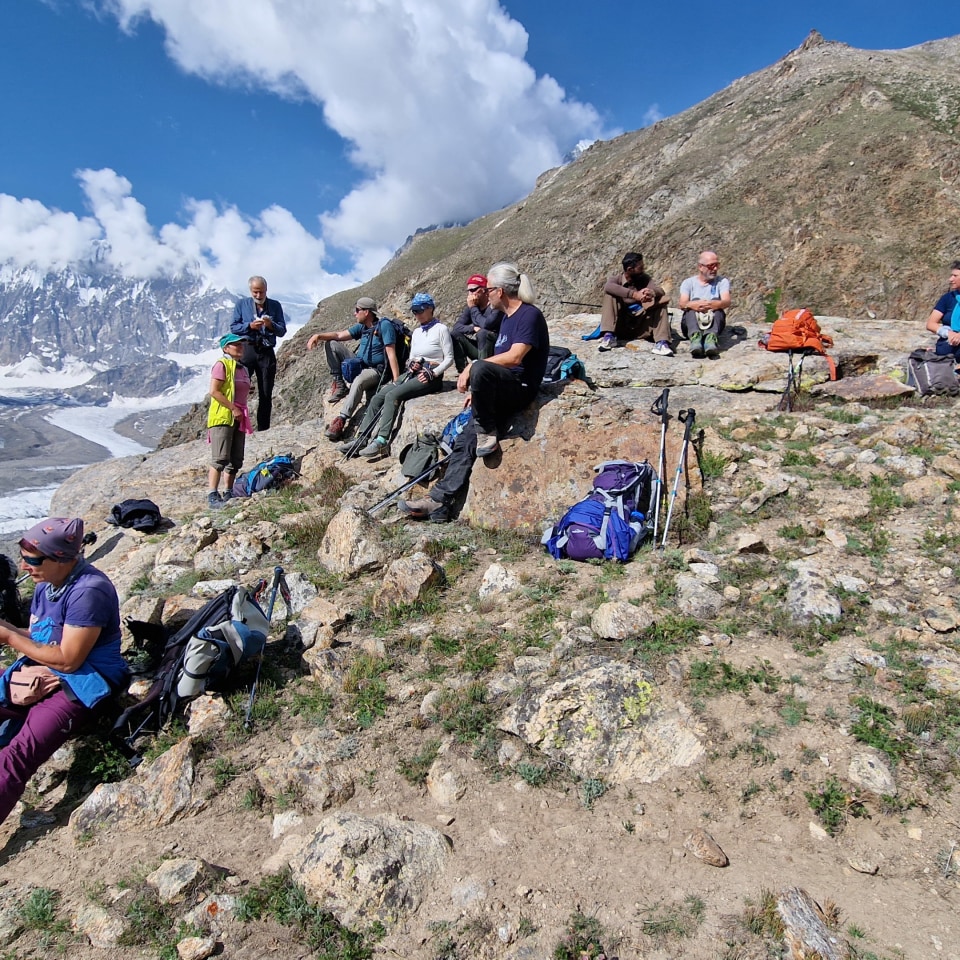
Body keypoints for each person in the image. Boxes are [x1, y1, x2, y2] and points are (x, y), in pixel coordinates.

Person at [0, 517, 128, 825]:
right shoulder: (46, 585)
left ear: (61, 558)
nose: (24, 566)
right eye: (23, 557)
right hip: (45, 670)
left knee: (17, 753)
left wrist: (9, 638)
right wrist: (9, 629)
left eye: (33, 560)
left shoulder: (89, 591)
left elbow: (69, 659)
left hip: (83, 681)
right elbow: (42, 637)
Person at [399, 262, 549, 523]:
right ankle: (439, 503)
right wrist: (480, 388)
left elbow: (515, 357)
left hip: (521, 388)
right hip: (502, 388)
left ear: (500, 291)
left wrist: (474, 369)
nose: (486, 295)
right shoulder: (506, 319)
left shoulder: (529, 315)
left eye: (488, 290)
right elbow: (497, 360)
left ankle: (487, 430)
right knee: (466, 438)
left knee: (479, 369)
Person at [349, 294, 454, 459]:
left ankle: (382, 440)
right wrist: (411, 363)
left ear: (430, 309)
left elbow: (449, 358)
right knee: (378, 397)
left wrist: (433, 373)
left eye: (420, 310)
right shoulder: (417, 332)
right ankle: (361, 438)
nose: (417, 314)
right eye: (414, 311)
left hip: (430, 375)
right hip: (414, 371)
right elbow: (411, 356)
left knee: (392, 395)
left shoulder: (441, 329)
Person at [306, 297, 401, 442]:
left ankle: (341, 419)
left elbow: (391, 353)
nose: (354, 313)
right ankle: (339, 384)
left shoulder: (384, 326)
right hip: (360, 363)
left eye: (357, 310)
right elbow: (339, 335)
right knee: (331, 344)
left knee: (359, 381)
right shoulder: (363, 327)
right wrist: (318, 336)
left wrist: (396, 381)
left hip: (376, 370)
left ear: (366, 312)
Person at [230, 275, 287, 431]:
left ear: (266, 290)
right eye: (255, 292)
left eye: (261, 291)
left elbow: (282, 330)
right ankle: (236, 428)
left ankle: (263, 429)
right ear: (250, 290)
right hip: (247, 350)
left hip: (266, 352)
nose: (258, 295)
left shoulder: (275, 305)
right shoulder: (241, 304)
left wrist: (270, 325)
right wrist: (250, 326)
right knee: (238, 389)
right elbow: (234, 327)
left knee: (266, 393)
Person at [206, 332, 253, 508]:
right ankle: (212, 494)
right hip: (223, 416)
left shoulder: (242, 368)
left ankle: (229, 491)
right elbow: (214, 391)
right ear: (226, 348)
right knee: (220, 457)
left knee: (236, 458)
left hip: (239, 416)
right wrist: (233, 408)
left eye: (241, 344)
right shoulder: (222, 365)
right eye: (236, 344)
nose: (241, 347)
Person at [598, 252, 671, 355]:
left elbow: (660, 291)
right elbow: (608, 287)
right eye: (640, 268)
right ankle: (609, 336)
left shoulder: (644, 279)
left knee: (661, 301)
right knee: (610, 296)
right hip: (620, 326)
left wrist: (652, 292)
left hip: (642, 326)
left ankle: (661, 343)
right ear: (630, 269)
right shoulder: (616, 280)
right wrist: (634, 294)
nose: (643, 270)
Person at [678, 251, 732, 359]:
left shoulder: (722, 282)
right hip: (693, 321)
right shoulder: (688, 283)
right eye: (711, 266)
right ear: (700, 267)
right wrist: (695, 304)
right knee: (691, 305)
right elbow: (682, 303)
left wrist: (713, 304)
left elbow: (726, 301)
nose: (715, 269)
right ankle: (695, 338)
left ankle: (710, 338)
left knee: (718, 304)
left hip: (712, 319)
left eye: (717, 265)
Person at [450, 274, 504, 373]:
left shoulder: (494, 306)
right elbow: (457, 326)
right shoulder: (473, 306)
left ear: (483, 290)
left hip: (497, 349)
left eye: (473, 290)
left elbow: (486, 325)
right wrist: (473, 329)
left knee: (483, 333)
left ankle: (483, 372)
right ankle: (463, 371)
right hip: (481, 348)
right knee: (454, 335)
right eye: (469, 291)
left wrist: (473, 308)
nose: (470, 294)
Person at [925, 260, 960, 361]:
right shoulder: (948, 298)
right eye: (951, 275)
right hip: (949, 346)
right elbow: (931, 324)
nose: (951, 279)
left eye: (955, 276)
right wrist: (948, 333)